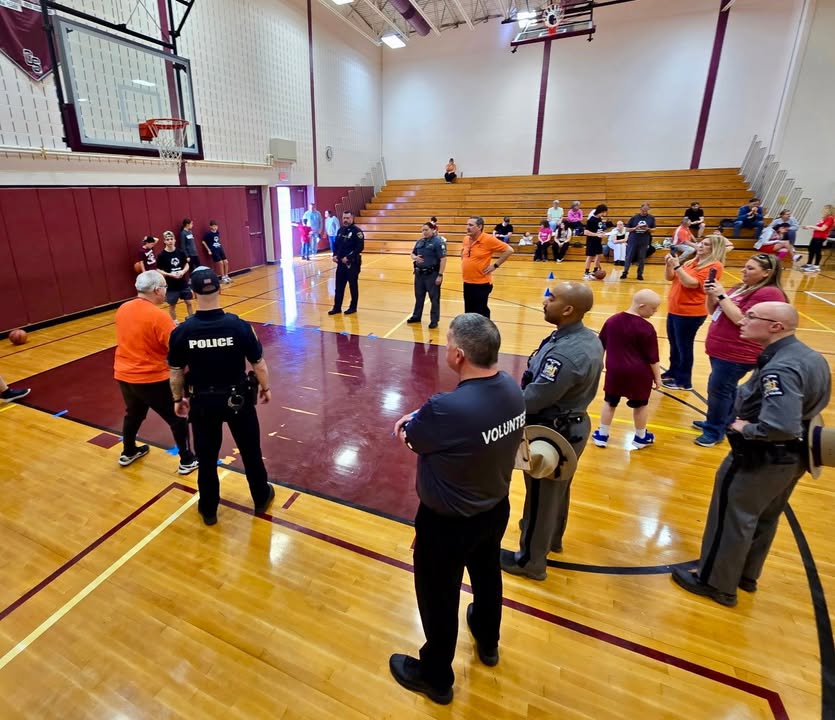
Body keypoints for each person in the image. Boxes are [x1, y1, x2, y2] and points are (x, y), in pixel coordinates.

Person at [388, 313, 525, 705]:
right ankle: (488, 639)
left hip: (446, 525)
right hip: (494, 508)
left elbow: (413, 438)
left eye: (448, 343)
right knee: (486, 575)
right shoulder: (513, 390)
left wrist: (411, 423)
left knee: (439, 595)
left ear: (459, 355)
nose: (446, 348)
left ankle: (434, 676)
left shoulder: (446, 408)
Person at [671, 302, 831, 607]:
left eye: (752, 316)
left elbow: (780, 424)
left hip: (760, 457)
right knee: (764, 517)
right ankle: (744, 574)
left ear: (776, 327)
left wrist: (745, 428)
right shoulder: (809, 356)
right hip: (793, 457)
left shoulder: (781, 367)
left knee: (732, 516)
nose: (742, 320)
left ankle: (715, 582)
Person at [501, 282, 603, 579]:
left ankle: (530, 561)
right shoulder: (584, 338)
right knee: (557, 490)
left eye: (552, 298)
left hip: (552, 430)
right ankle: (552, 539)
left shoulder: (566, 356)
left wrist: (496, 400)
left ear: (569, 309)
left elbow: (535, 398)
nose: (545, 301)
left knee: (540, 496)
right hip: (570, 424)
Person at [168, 267, 275, 526]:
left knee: (206, 458)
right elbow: (258, 364)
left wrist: (177, 399)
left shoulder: (183, 331)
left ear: (192, 293)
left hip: (203, 403)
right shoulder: (239, 326)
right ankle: (261, 497)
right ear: (220, 288)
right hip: (238, 400)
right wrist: (265, 387)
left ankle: (209, 509)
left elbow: (175, 372)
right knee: (250, 451)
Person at [695, 253, 787, 447]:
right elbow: (715, 311)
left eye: (751, 268)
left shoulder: (769, 293)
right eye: (745, 266)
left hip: (738, 352)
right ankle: (722, 422)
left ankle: (714, 430)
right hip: (721, 348)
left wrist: (721, 294)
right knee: (725, 389)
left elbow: (741, 320)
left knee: (719, 390)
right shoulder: (741, 288)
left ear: (766, 273)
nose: (743, 271)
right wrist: (711, 295)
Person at [114, 270, 198, 474]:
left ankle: (129, 450)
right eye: (165, 288)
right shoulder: (159, 317)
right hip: (151, 378)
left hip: (124, 375)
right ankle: (187, 460)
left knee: (133, 414)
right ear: (157, 290)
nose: (165, 291)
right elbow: (176, 350)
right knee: (177, 417)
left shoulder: (123, 309)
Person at [592, 289, 662, 450]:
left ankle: (602, 435)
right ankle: (640, 437)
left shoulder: (612, 321)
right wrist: (657, 378)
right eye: (653, 308)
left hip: (615, 371)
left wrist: (597, 364)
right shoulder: (647, 328)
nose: (655, 311)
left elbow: (600, 345)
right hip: (639, 374)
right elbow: (653, 358)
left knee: (610, 402)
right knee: (640, 405)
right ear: (641, 306)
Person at [662, 235, 726, 391]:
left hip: (690, 311)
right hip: (675, 308)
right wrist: (669, 265)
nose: (701, 246)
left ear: (714, 249)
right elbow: (670, 277)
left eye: (706, 245)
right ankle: (673, 371)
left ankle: (684, 381)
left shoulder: (714, 266)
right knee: (674, 344)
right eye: (701, 243)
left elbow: (691, 284)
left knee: (684, 346)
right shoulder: (692, 261)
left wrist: (677, 267)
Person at [461, 216, 513, 319]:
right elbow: (463, 251)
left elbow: (509, 250)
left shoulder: (488, 239)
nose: (467, 227)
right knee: (468, 312)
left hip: (481, 283)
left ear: (480, 227)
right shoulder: (466, 239)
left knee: (481, 314)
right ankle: (471, 333)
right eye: (467, 224)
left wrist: (495, 265)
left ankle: (484, 334)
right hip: (467, 282)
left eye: (471, 225)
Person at [406, 221, 447, 329]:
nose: (424, 232)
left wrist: (440, 275)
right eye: (422, 230)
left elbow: (443, 259)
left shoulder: (438, 242)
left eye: (426, 230)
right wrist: (414, 257)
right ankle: (416, 316)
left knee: (434, 298)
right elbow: (412, 253)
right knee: (419, 297)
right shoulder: (420, 241)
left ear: (433, 230)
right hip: (419, 274)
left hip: (432, 274)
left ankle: (434, 320)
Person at [328, 210, 364, 315]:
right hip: (340, 264)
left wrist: (348, 257)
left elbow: (360, 247)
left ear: (352, 219)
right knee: (339, 287)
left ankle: (353, 307)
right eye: (344, 218)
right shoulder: (340, 230)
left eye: (348, 218)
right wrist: (334, 255)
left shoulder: (357, 232)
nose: (346, 220)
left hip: (352, 264)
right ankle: (337, 307)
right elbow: (336, 245)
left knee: (353, 286)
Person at [156, 231, 194, 323]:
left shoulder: (180, 252)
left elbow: (186, 265)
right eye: (167, 239)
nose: (170, 241)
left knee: (189, 302)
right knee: (172, 305)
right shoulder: (161, 255)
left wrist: (183, 271)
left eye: (171, 239)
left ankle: (192, 320)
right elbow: (158, 270)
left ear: (175, 240)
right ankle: (175, 322)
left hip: (183, 283)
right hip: (171, 285)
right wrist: (170, 274)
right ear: (164, 241)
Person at [621, 203, 656, 281]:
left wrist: (648, 229)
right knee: (629, 256)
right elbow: (626, 229)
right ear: (640, 209)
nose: (644, 212)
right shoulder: (634, 218)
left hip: (644, 240)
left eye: (646, 211)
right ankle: (625, 272)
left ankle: (640, 274)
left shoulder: (651, 218)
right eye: (643, 210)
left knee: (642, 258)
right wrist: (635, 228)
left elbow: (654, 229)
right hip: (633, 240)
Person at [800, 203, 835, 272]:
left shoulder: (830, 218)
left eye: (824, 209)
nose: (822, 210)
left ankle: (816, 266)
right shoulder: (824, 219)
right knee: (811, 250)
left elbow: (822, 229)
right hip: (815, 236)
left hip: (820, 237)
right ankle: (809, 264)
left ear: (828, 210)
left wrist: (810, 226)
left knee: (817, 251)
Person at [583, 204, 607, 279]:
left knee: (599, 255)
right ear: (601, 211)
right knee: (590, 256)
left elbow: (599, 230)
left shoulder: (600, 219)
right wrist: (596, 234)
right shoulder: (591, 220)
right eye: (605, 212)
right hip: (591, 241)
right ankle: (586, 272)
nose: (605, 214)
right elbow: (586, 232)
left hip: (598, 241)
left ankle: (595, 271)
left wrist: (603, 233)